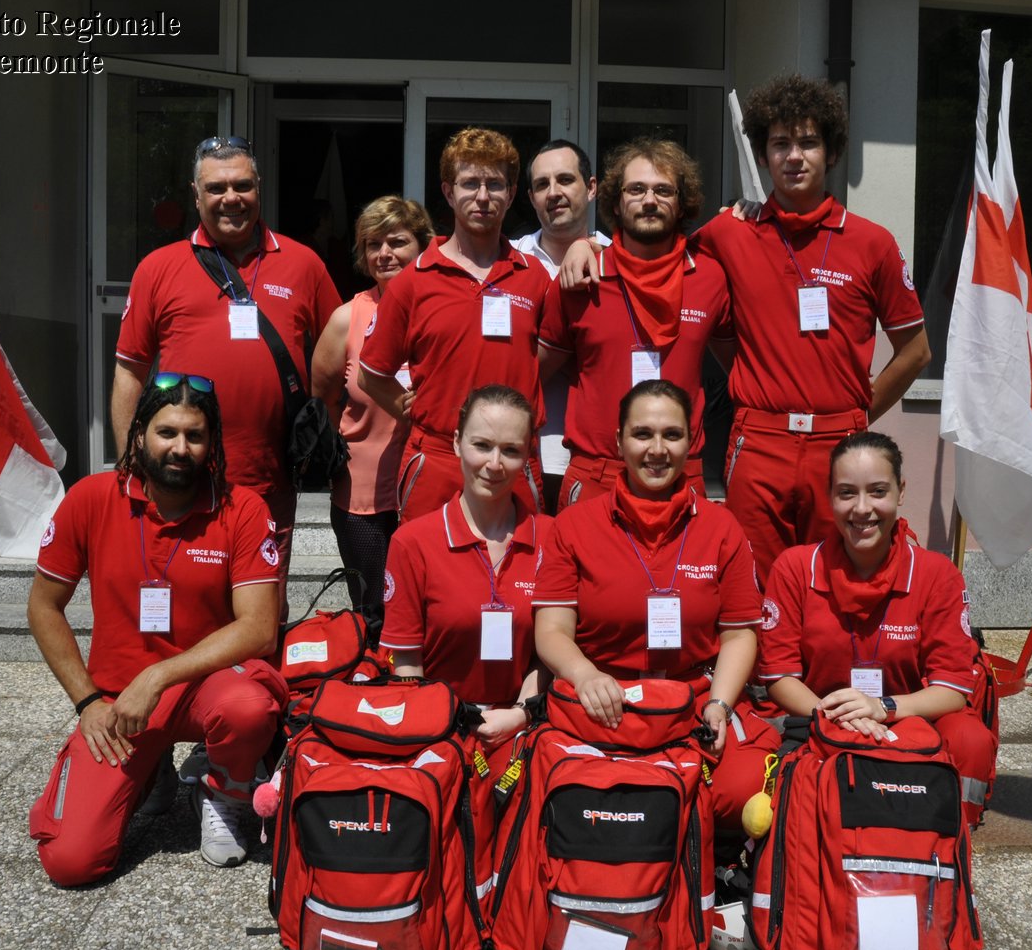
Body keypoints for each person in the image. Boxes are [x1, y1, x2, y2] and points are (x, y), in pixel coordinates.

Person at [563, 75, 929, 578]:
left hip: (839, 436)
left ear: (832, 152)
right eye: (780, 144)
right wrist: (588, 243)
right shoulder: (727, 233)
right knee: (757, 584)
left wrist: (859, 412)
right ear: (762, 155)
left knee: (840, 575)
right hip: (757, 440)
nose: (794, 156)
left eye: (807, 142)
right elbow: (652, 247)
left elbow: (915, 352)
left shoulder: (873, 243)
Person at [28, 374, 286, 884]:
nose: (180, 448)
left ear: (212, 444)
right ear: (140, 431)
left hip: (204, 687)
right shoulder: (90, 497)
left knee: (248, 708)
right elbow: (43, 607)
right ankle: (153, 771)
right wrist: (87, 703)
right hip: (119, 702)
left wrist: (158, 676)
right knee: (72, 864)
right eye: (167, 432)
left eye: (195, 436)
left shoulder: (243, 508)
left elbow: (259, 629)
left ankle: (223, 791)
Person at [532, 380, 771, 837]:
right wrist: (584, 676)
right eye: (642, 434)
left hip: (694, 703)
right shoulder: (575, 526)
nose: (657, 449)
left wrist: (720, 703)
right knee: (583, 794)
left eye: (672, 435)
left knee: (743, 790)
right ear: (619, 441)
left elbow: (740, 633)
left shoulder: (721, 527)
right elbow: (552, 629)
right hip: (605, 702)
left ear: (692, 442)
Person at [112, 135, 341, 557]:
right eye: (216, 188)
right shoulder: (158, 268)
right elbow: (130, 371)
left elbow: (345, 350)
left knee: (266, 604)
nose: (231, 198)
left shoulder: (303, 263)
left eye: (242, 186)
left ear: (258, 189)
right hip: (182, 473)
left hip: (271, 477)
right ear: (195, 195)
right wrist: (133, 461)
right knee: (187, 598)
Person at [756, 430, 994, 826]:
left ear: (901, 492)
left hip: (908, 720)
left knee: (970, 739)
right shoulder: (795, 567)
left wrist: (882, 709)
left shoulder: (937, 574)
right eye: (846, 493)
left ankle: (951, 837)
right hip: (819, 718)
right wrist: (837, 715)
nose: (862, 509)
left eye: (877, 491)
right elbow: (779, 676)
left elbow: (952, 688)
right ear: (829, 495)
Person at [358, 128, 551, 522]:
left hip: (514, 460)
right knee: (433, 576)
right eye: (470, 183)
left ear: (512, 194)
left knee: (519, 576)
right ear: (448, 192)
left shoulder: (534, 278)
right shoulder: (414, 280)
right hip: (440, 460)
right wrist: (413, 409)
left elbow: (550, 356)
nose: (483, 196)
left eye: (495, 184)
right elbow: (371, 373)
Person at [538, 138, 732, 507]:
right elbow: (530, 373)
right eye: (636, 189)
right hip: (598, 477)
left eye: (663, 190)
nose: (648, 200)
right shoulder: (581, 279)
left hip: (681, 476)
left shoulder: (709, 278)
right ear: (615, 200)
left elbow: (743, 370)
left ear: (681, 203)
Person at [379, 384, 549, 760]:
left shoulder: (553, 538)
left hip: (526, 726)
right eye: (482, 445)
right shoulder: (412, 543)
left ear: (527, 455)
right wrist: (443, 729)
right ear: (457, 443)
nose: (494, 464)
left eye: (510, 450)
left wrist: (520, 714)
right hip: (439, 730)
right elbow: (407, 664)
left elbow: (549, 652)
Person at [311, 196, 433, 643]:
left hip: (432, 485)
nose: (385, 253)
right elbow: (321, 396)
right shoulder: (347, 318)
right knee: (376, 611)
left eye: (398, 242)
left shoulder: (445, 309)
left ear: (423, 246)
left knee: (432, 603)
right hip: (363, 493)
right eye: (373, 244)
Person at [511, 140, 611, 512]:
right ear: (531, 197)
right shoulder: (508, 262)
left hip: (598, 461)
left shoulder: (620, 263)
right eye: (542, 184)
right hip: (516, 457)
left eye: (565, 180)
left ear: (591, 187)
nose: (554, 193)